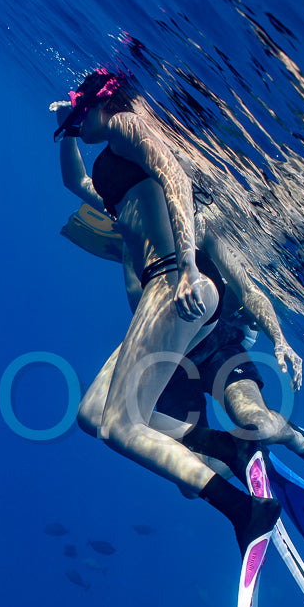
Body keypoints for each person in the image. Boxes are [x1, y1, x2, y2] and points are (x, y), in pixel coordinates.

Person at [53, 70, 279, 557]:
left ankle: (245, 511)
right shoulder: (113, 167)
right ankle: (227, 447)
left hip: (174, 280)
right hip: (163, 291)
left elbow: (176, 178)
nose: (76, 119)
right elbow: (75, 182)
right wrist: (67, 129)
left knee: (119, 427)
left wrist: (190, 269)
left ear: (99, 103)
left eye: (80, 109)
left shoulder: (125, 124)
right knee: (92, 415)